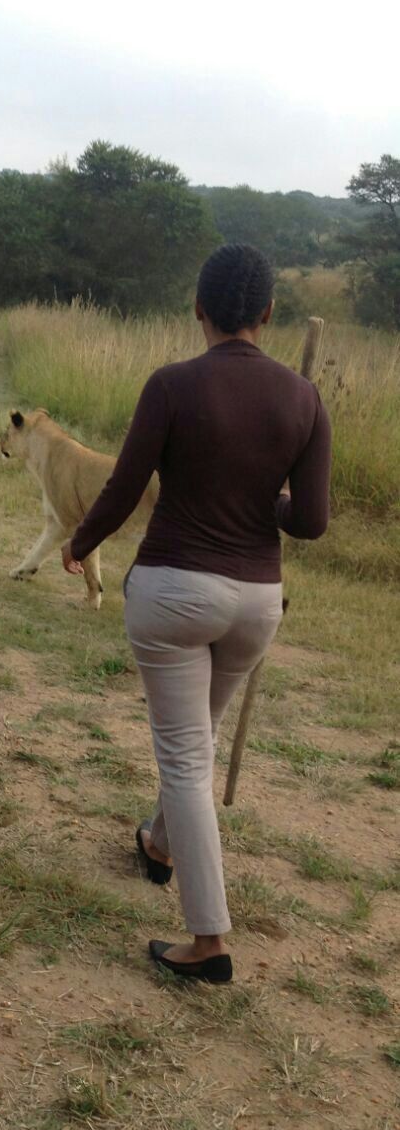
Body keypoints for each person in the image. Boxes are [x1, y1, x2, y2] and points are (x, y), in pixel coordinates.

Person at [62, 243, 331, 984]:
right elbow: (310, 521)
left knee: (184, 756)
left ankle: (208, 940)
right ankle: (159, 845)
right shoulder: (304, 400)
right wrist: (263, 501)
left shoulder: (172, 385)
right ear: (269, 314)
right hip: (255, 603)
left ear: (198, 309)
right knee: (198, 738)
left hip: (175, 595)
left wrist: (81, 543)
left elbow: (124, 483)